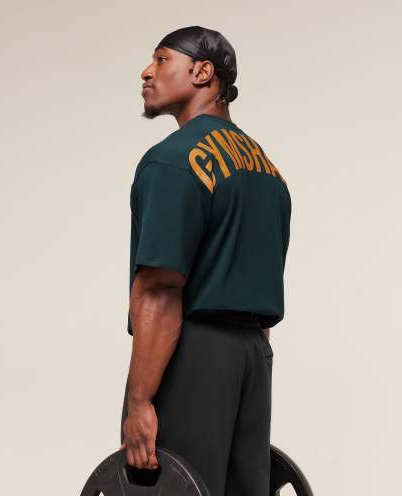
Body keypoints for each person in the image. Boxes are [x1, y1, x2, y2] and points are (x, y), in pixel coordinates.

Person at [120, 25, 291, 496]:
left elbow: (160, 288)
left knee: (167, 486)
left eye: (161, 60)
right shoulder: (267, 171)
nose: (147, 72)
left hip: (192, 356)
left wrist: (139, 402)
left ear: (202, 72)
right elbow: (258, 288)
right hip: (254, 360)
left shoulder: (172, 160)